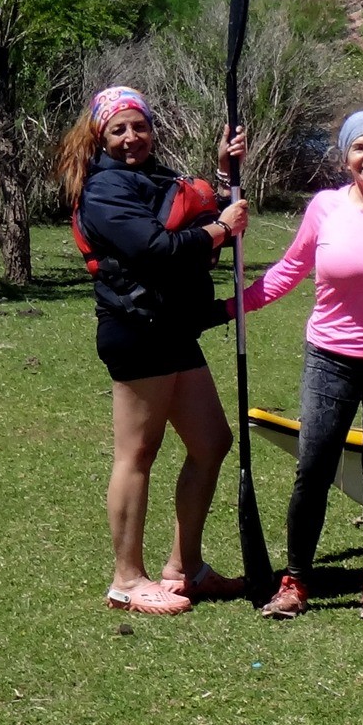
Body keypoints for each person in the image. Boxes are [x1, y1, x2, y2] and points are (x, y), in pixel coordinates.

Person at [56, 85, 249, 615]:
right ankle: (126, 580)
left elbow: (191, 213)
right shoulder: (102, 190)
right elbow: (155, 247)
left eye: (138, 126)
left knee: (211, 442)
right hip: (136, 330)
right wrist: (217, 232)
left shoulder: (149, 176)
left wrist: (225, 173)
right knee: (137, 454)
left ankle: (185, 567)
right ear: (100, 135)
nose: (131, 137)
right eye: (118, 129)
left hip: (172, 330)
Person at [239, 109, 363, 620]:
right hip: (329, 358)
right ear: (345, 156)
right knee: (314, 467)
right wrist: (235, 304)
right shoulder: (323, 207)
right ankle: (296, 582)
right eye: (359, 148)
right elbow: (288, 269)